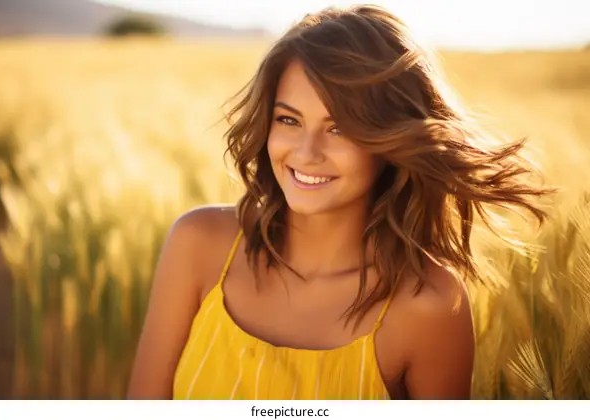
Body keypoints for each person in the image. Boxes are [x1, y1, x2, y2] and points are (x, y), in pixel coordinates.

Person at [126, 5, 554, 400]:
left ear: (390, 139)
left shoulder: (429, 305)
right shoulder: (199, 244)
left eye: (339, 128)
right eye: (289, 120)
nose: (306, 152)